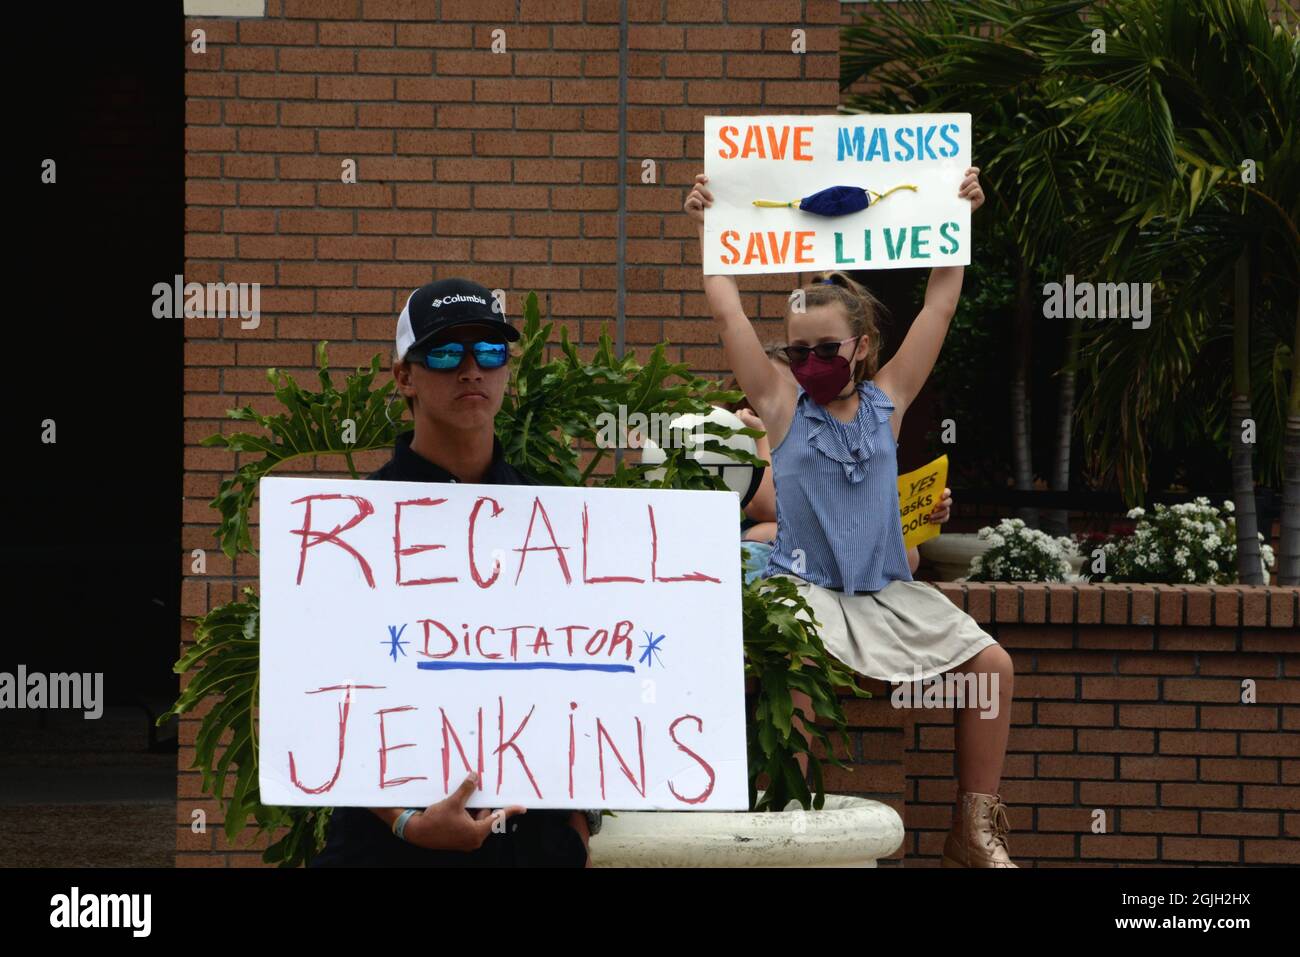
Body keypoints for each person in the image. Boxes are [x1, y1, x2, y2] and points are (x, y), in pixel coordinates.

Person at [686, 169, 1020, 868]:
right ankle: (788, 830)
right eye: (797, 351)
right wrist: (708, 227)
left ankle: (973, 829)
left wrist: (954, 218)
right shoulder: (780, 406)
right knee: (797, 669)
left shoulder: (888, 401)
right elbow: (728, 316)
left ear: (862, 346)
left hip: (883, 593)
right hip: (804, 594)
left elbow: (940, 306)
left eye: (826, 350)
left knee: (991, 664)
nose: (809, 363)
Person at [309, 278, 596, 868]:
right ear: (404, 376)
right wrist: (406, 823)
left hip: (532, 847)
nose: (472, 370)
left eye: (490, 352)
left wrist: (575, 829)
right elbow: (319, 697)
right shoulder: (348, 528)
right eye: (444, 353)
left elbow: (592, 684)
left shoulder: (556, 520)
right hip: (383, 849)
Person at [728, 345, 953, 584]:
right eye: (770, 395)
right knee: (775, 532)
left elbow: (908, 559)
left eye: (795, 395)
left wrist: (914, 516)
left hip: (836, 567)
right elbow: (768, 506)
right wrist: (762, 436)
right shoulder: (737, 446)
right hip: (767, 558)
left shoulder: (826, 446)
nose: (781, 405)